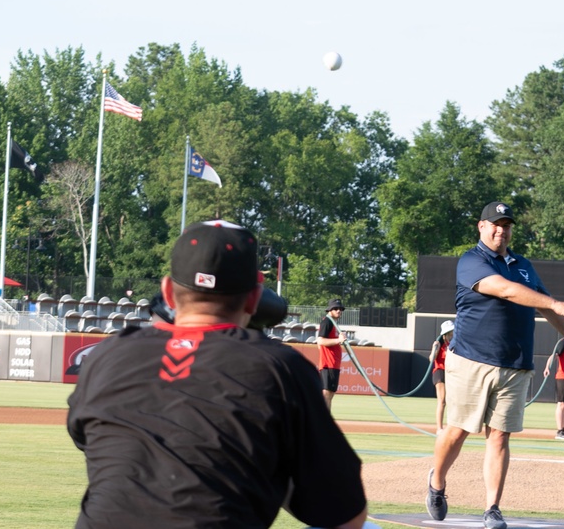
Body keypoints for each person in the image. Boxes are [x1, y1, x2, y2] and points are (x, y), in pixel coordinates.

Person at [67, 220, 369, 529]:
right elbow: (347, 515)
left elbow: (90, 442)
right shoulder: (281, 368)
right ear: (254, 298)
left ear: (167, 292)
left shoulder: (107, 355)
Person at [426, 201, 564, 529]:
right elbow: (506, 290)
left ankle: (492, 508)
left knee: (499, 437)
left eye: (507, 225)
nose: (502, 230)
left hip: (515, 364)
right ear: (482, 227)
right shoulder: (472, 261)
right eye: (496, 224)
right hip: (471, 360)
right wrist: (555, 302)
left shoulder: (523, 264)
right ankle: (437, 482)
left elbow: (545, 307)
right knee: (457, 431)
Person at [317, 297, 347, 410]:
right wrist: (338, 340)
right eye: (335, 308)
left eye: (340, 309)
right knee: (326, 394)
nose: (339, 311)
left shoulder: (333, 324)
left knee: (329, 394)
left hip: (333, 364)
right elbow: (320, 341)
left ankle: (325, 419)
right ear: (330, 309)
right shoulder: (327, 322)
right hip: (328, 364)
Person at [429, 320, 455, 433]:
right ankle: (439, 428)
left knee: (452, 401)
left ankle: (450, 427)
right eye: (450, 332)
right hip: (440, 371)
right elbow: (432, 359)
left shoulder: (454, 343)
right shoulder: (439, 344)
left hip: (451, 373)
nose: (452, 334)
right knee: (442, 400)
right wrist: (435, 349)